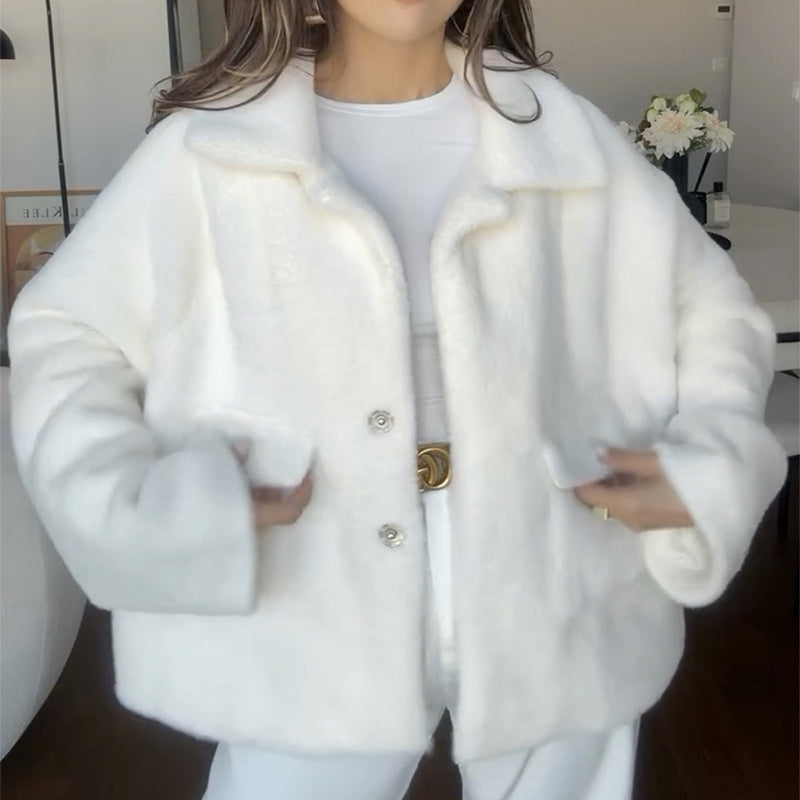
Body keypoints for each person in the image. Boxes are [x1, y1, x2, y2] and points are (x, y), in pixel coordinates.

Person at [6, 1, 787, 799]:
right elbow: (68, 335)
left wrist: (708, 464)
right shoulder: (211, 147)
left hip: (556, 575)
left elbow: (713, 313)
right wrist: (144, 507)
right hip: (307, 586)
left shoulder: (560, 134)